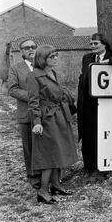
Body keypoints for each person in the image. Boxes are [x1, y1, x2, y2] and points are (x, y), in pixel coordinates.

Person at [77, 33, 112, 180]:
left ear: (104, 44)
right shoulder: (87, 58)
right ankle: (89, 167)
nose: (92, 46)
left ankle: (104, 167)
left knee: (102, 135)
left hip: (106, 105)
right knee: (88, 135)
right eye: (91, 44)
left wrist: (106, 62)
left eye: (96, 43)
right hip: (89, 103)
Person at [27, 45, 78, 204]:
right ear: (43, 58)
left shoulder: (52, 72)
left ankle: (56, 185)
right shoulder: (33, 75)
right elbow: (33, 101)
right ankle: (42, 190)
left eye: (56, 55)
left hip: (58, 116)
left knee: (58, 151)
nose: (56, 58)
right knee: (48, 155)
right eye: (52, 56)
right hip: (46, 119)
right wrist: (37, 122)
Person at [8, 39, 41, 189]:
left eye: (33, 47)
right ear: (21, 52)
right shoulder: (16, 68)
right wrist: (33, 96)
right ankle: (33, 176)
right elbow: (13, 89)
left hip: (45, 113)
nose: (31, 49)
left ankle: (48, 174)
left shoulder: (43, 65)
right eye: (26, 48)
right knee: (29, 146)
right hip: (26, 113)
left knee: (44, 144)